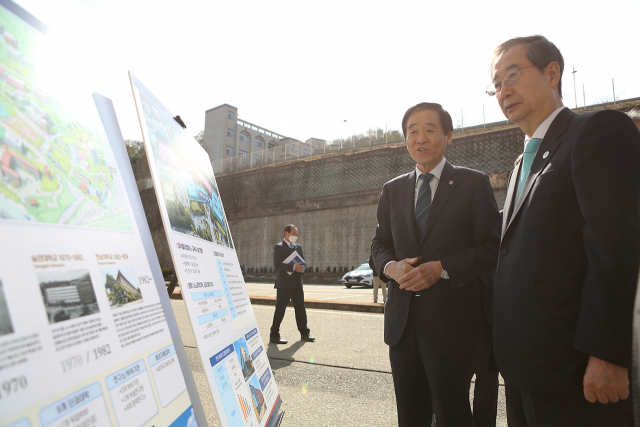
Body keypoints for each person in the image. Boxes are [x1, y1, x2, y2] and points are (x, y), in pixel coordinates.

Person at [488, 35, 640, 426]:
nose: (504, 90)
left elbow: (614, 245)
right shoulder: (522, 161)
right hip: (525, 370)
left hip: (577, 371)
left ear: (552, 73)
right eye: (497, 83)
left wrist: (607, 354)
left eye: (514, 74)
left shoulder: (596, 130)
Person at [371, 102, 501, 426]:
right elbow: (379, 245)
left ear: (449, 136)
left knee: (452, 414)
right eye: (412, 131)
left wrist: (441, 268)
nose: (420, 137)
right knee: (411, 417)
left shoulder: (473, 183)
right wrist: (390, 268)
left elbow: (491, 247)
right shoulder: (392, 190)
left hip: (453, 326)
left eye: (430, 129)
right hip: (402, 326)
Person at [269, 224, 315, 344]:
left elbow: (303, 262)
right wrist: (293, 266)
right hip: (284, 284)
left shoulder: (298, 247)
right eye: (293, 234)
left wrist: (302, 268)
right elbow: (277, 265)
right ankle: (274, 335)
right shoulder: (279, 247)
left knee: (300, 309)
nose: (295, 236)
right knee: (280, 309)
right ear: (286, 233)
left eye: (297, 234)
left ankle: (305, 333)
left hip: (297, 284)